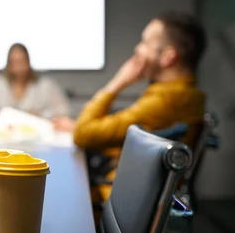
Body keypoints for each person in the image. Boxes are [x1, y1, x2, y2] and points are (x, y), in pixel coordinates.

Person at [73, 11, 207, 203]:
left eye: (145, 42)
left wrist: (117, 83)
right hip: (132, 197)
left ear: (168, 57)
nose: (138, 49)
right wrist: (100, 132)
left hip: (117, 204)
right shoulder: (181, 95)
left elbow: (82, 134)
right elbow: (132, 139)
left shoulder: (166, 101)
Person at [0, 43, 74, 129]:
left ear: (28, 62)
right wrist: (7, 117)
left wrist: (38, 116)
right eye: (14, 62)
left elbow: (63, 111)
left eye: (21, 62)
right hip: (3, 137)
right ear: (8, 64)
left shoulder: (45, 86)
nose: (18, 67)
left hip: (38, 138)